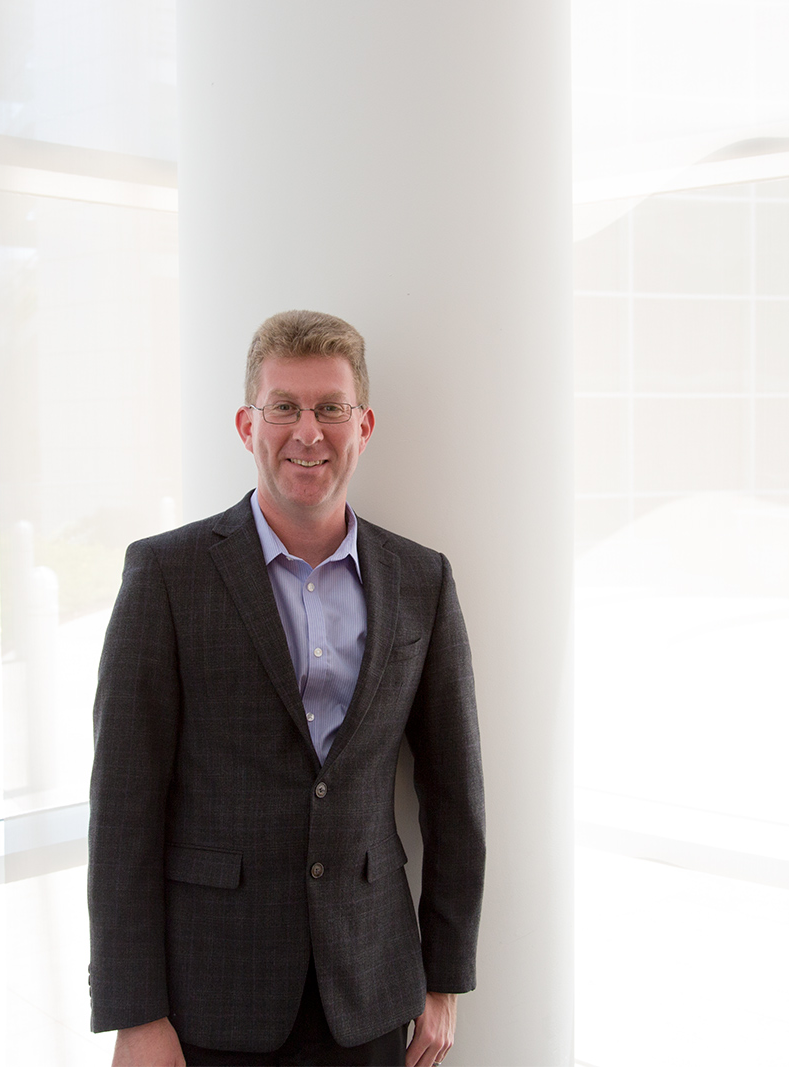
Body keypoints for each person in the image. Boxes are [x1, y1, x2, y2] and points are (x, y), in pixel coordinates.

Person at [87, 310, 486, 1067]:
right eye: (285, 407)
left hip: (370, 988)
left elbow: (456, 793)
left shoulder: (421, 581)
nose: (309, 430)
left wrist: (445, 980)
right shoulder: (166, 575)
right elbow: (123, 804)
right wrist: (133, 1011)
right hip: (211, 993)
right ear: (248, 423)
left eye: (330, 407)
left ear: (362, 424)